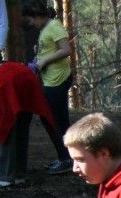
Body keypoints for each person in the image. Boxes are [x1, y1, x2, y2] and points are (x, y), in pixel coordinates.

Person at [0, 50, 62, 190]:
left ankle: (4, 177)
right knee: (21, 130)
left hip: (12, 84)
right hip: (28, 80)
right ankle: (19, 175)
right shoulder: (6, 66)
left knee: (5, 129)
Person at [21, 1, 73, 175]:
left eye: (31, 20)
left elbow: (66, 50)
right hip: (49, 80)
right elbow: (51, 49)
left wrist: (43, 61)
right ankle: (65, 157)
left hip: (58, 80)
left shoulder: (54, 26)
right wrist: (39, 54)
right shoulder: (45, 29)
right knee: (50, 119)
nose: (31, 25)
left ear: (36, 15)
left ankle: (67, 159)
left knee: (56, 121)